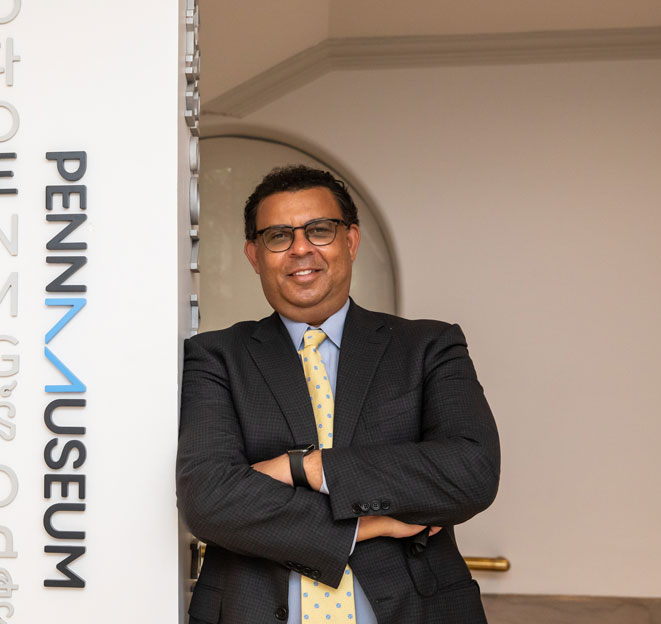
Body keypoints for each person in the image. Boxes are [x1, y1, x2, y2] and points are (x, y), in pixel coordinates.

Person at [176, 165, 500, 624]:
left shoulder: (429, 347)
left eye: (319, 230)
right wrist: (365, 526)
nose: (301, 248)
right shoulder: (214, 358)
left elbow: (470, 472)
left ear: (350, 240)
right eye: (278, 236)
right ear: (254, 254)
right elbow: (207, 499)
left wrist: (305, 467)